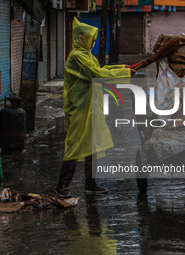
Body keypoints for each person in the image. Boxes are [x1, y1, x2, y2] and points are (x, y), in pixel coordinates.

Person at [56, 17, 135, 197]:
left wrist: (124, 68)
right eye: (90, 37)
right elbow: (96, 74)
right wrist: (124, 72)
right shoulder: (77, 57)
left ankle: (90, 184)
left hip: (91, 107)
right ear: (80, 38)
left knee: (93, 145)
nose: (93, 40)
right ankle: (62, 186)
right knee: (75, 144)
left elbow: (103, 70)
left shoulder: (87, 56)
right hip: (79, 108)